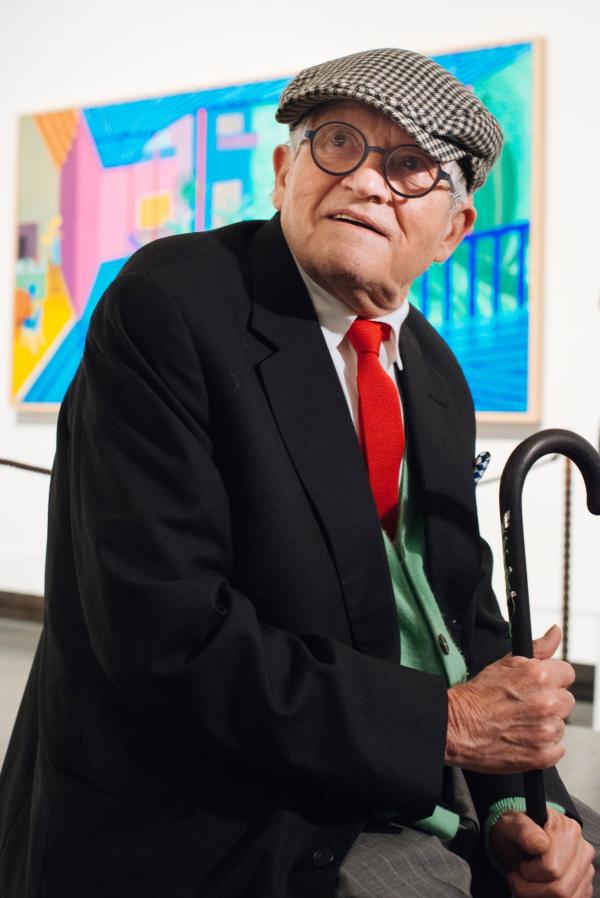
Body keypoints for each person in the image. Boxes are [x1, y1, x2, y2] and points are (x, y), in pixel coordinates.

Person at [0, 47, 598, 898]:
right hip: (230, 817)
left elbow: (460, 615)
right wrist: (450, 723)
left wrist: (523, 810)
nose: (368, 181)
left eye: (412, 166)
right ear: (286, 172)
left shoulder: (434, 374)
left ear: (454, 229)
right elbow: (170, 640)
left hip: (402, 771)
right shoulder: (171, 306)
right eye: (339, 143)